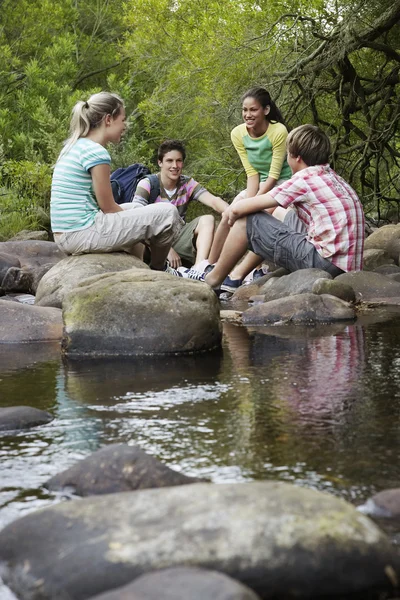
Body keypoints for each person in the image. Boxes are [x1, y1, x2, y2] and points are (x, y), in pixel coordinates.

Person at [204, 124, 365, 291]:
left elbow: (241, 209)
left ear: (297, 158)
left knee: (247, 219)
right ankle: (236, 277)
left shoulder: (303, 178)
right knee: (279, 212)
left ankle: (212, 280)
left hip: (324, 265)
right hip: (347, 268)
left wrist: (232, 211)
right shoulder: (331, 176)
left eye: (287, 154)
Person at [50, 92, 182, 274]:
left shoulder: (76, 146)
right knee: (168, 213)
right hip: (80, 234)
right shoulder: (96, 152)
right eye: (123, 120)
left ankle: (137, 269)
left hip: (67, 233)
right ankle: (159, 270)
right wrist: (147, 230)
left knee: (137, 209)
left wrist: (140, 222)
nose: (125, 126)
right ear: (108, 119)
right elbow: (109, 208)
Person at [205, 86, 292, 290]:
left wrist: (254, 204)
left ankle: (244, 272)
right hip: (258, 183)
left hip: (281, 184)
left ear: (266, 110)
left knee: (257, 219)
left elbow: (274, 175)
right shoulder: (238, 134)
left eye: (253, 110)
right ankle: (207, 265)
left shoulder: (278, 131)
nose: (247, 115)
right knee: (229, 214)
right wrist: (247, 201)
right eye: (245, 110)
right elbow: (252, 174)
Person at [132, 139, 228, 277]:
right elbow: (137, 220)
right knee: (138, 231)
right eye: (169, 161)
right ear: (160, 162)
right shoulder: (148, 184)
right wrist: (167, 249)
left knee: (208, 219)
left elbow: (213, 201)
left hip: (178, 236)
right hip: (152, 243)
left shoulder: (187, 183)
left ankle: (199, 268)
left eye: (179, 161)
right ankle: (144, 272)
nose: (175, 166)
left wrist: (233, 212)